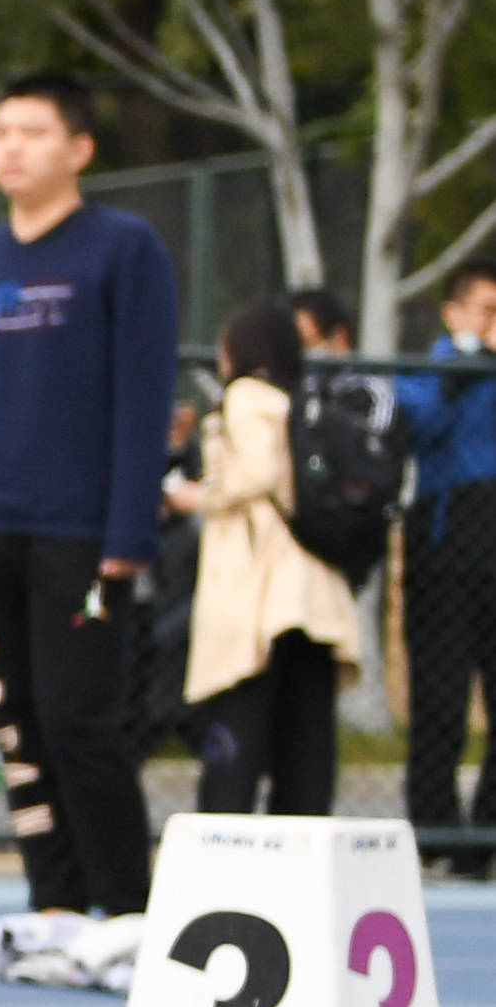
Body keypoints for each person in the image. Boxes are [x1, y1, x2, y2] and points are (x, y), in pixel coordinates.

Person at [0, 71, 179, 954]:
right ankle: (53, 902)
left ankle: (128, 909)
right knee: (16, 721)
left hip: (82, 540)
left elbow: (144, 399)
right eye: (0, 131)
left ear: (79, 148)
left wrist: (128, 532)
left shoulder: (122, 248)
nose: (10, 147)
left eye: (31, 131)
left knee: (79, 717)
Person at [168, 302, 358, 817]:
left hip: (258, 601)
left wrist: (200, 495)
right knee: (306, 740)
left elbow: (255, 472)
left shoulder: (246, 398)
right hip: (310, 597)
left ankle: (223, 853)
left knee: (238, 734)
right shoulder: (298, 400)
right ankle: (301, 846)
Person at [396, 256, 496, 853]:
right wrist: (463, 367)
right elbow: (418, 424)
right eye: (486, 311)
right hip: (445, 553)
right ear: (453, 314)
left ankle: (487, 834)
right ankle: (435, 834)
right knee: (441, 700)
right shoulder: (428, 369)